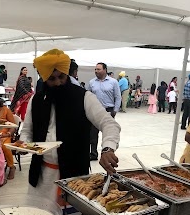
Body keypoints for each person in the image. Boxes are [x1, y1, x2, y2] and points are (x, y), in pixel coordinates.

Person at [20, 49, 121, 201]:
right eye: (51, 79)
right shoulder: (36, 100)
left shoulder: (84, 97)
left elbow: (109, 124)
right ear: (44, 78)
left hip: (75, 177)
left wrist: (107, 148)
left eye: (61, 77)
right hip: (42, 176)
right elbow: (27, 130)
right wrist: (23, 143)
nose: (58, 82)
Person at [88, 62, 121, 160]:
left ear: (105, 70)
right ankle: (93, 154)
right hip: (95, 111)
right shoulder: (91, 82)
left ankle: (108, 153)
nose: (96, 71)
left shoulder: (113, 82)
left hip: (108, 110)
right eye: (95, 69)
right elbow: (88, 96)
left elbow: (118, 97)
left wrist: (115, 110)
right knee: (93, 134)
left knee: (108, 132)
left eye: (98, 69)